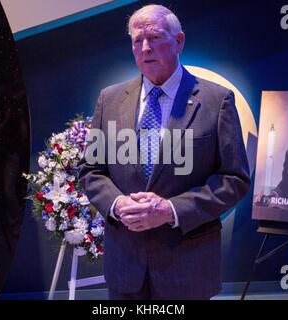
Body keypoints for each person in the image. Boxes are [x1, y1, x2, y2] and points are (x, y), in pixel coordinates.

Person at [78, 4, 250, 300]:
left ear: (179, 41)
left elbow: (234, 179)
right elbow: (90, 170)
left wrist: (170, 210)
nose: (145, 48)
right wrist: (117, 204)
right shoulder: (109, 99)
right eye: (137, 40)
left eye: (155, 37)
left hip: (187, 267)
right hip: (126, 267)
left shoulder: (216, 100)